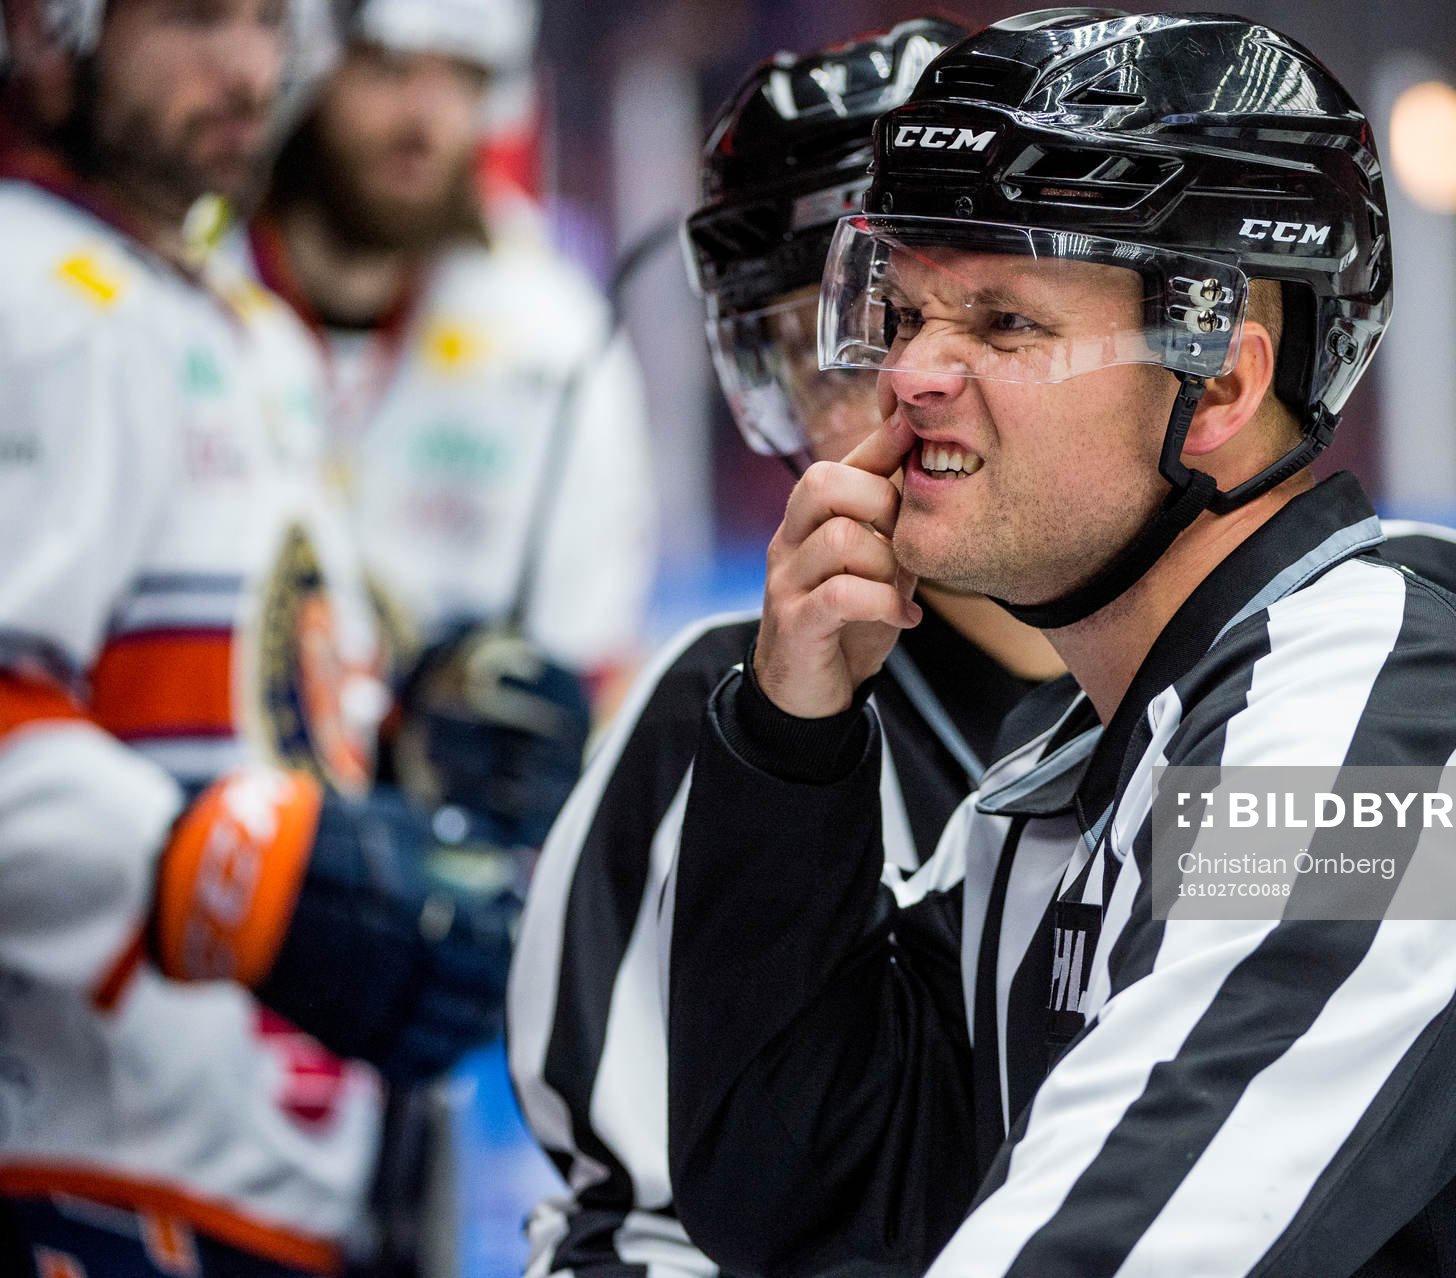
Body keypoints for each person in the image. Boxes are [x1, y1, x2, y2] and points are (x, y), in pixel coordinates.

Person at [644, 11, 1456, 1276]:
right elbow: (808, 1198)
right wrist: (792, 748)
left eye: (1006, 322)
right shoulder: (1068, 783)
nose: (909, 375)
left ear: (1222, 389)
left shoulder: (1397, 741)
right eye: (905, 315)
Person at [503, 20, 1075, 1276]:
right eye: (821, 345)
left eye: (965, 314)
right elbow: (634, 1231)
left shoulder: (1384, 659)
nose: (900, 389)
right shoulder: (712, 721)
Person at [0, 2, 517, 1273]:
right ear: (44, 27)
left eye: (268, 20)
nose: (246, 68)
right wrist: (236, 874)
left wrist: (414, 734)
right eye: (192, 15)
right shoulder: (25, 292)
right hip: (78, 1182)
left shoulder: (240, 325)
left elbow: (252, 698)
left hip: (273, 1186)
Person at [242, 0, 654, 714]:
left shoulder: (557, 340)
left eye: (464, 76)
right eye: (389, 68)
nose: (425, 118)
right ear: (303, 66)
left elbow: (596, 670)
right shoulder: (187, 290)